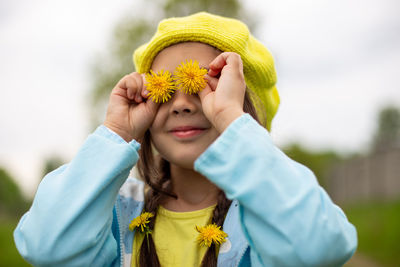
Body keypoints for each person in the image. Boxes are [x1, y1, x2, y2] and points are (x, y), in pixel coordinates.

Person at [14, 12, 357, 267]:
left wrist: (229, 119)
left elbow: (320, 247)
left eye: (206, 85)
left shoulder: (266, 217)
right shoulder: (116, 215)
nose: (180, 104)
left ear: (244, 111)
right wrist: (116, 134)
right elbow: (45, 246)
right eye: (164, 89)